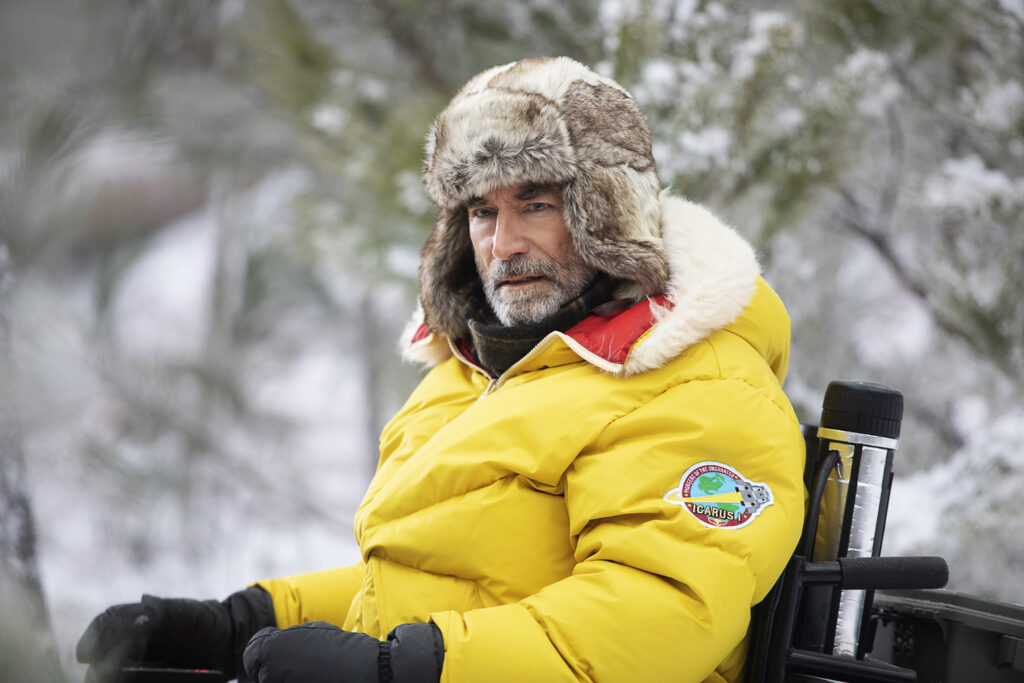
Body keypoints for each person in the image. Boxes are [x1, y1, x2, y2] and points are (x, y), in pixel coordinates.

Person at [77, 57, 806, 683]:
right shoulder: (484, 368)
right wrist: (236, 624)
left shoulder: (695, 378)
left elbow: (658, 616)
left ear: (606, 214)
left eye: (537, 202)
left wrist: (407, 668)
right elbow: (431, 585)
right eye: (482, 212)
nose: (504, 241)